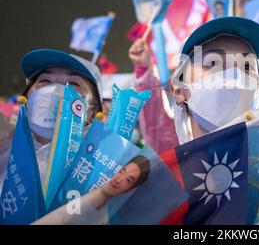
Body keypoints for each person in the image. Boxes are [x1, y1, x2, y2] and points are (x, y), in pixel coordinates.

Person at [131, 16, 259, 152]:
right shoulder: (171, 162)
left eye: (246, 66)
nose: (235, 76)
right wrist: (144, 69)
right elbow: (155, 120)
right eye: (213, 63)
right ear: (179, 91)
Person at [0, 49, 103, 191]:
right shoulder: (5, 145)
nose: (54, 90)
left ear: (93, 111)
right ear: (27, 97)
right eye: (45, 80)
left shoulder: (99, 166)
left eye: (73, 83)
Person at [33, 155, 150, 225]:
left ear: (130, 190)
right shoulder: (84, 185)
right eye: (122, 171)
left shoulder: (104, 219)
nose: (119, 179)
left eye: (128, 180)